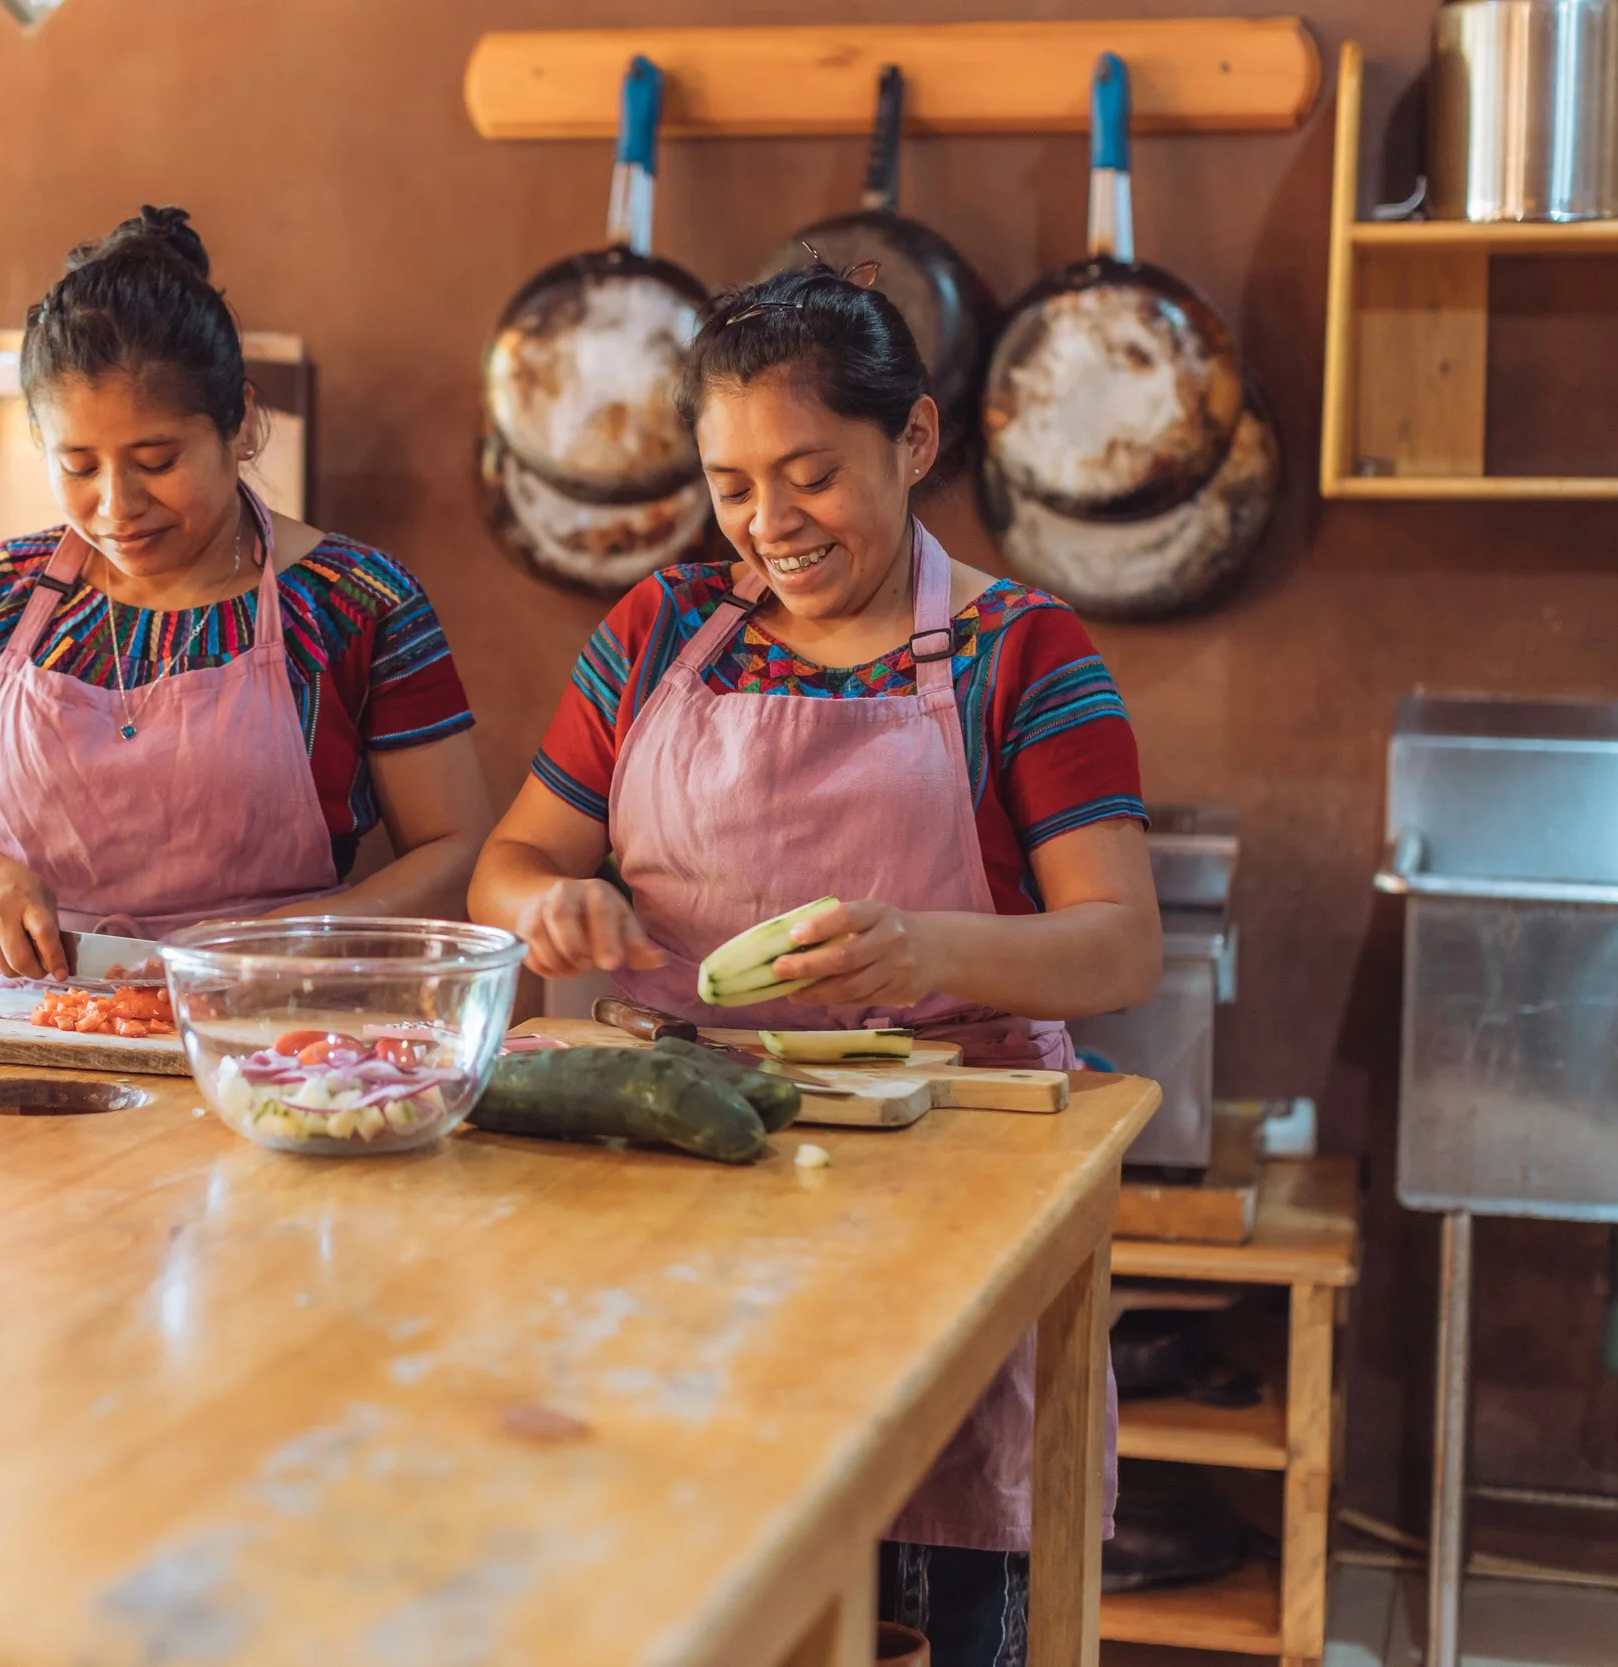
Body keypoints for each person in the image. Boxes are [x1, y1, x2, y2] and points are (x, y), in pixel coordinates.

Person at [468, 261, 1162, 1667]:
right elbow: (508, 862)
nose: (769, 523)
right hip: (661, 1174)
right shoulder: (653, 632)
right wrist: (555, 907)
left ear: (912, 441)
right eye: (731, 484)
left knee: (929, 1577)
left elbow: (1119, 942)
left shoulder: (1022, 653)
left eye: (810, 474)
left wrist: (926, 948)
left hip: (938, 1177)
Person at [0, 207, 490, 979]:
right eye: (79, 466)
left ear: (240, 423)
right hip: (22, 1041)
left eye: (156, 458)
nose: (117, 504)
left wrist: (290, 940)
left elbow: (461, 852)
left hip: (270, 1039)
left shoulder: (358, 604)